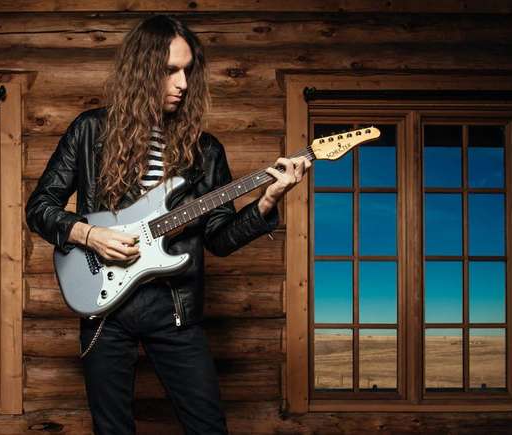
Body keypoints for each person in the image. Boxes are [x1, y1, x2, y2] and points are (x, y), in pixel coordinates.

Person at [25, 14, 311, 435]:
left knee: (208, 427)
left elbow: (219, 239)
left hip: (175, 308)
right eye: (170, 71)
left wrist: (268, 200)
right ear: (141, 71)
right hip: (104, 307)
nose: (183, 83)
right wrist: (89, 234)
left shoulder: (205, 151)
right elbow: (39, 207)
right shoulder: (90, 131)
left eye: (188, 71)